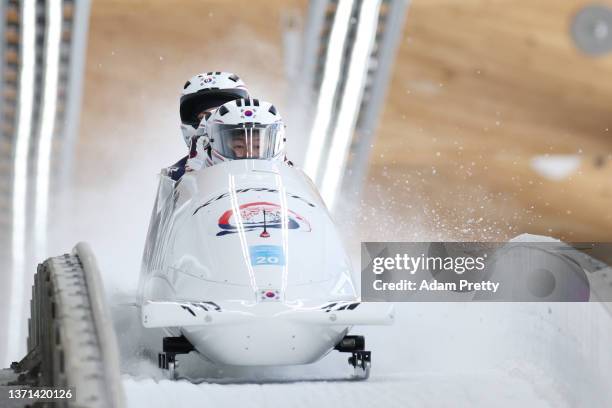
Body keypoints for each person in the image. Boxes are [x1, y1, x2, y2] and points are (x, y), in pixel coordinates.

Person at [166, 71, 249, 181]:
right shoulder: (174, 177)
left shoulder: (267, 163)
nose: (212, 124)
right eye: (206, 117)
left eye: (222, 115)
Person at [190, 97, 288, 169]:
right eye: (239, 146)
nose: (249, 153)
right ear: (213, 143)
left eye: (258, 146)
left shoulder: (294, 177)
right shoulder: (196, 178)